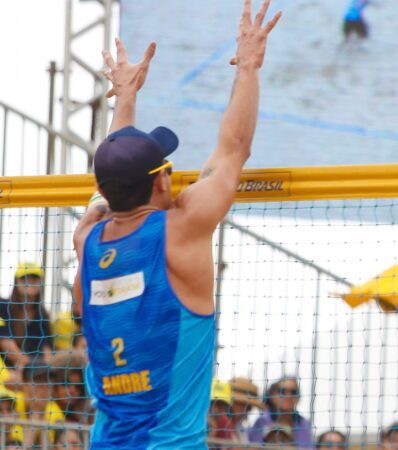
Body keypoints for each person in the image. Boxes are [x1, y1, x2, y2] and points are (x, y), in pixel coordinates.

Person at [70, 0, 282, 447]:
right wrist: (248, 65)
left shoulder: (87, 237)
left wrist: (125, 99)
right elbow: (234, 148)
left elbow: (109, 179)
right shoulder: (180, 230)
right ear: (162, 180)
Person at [0, 262, 53, 369]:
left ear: (41, 282)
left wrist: (46, 370)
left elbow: (47, 350)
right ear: (16, 282)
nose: (29, 283)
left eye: (34, 279)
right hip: (7, 370)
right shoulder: (3, 307)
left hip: (36, 371)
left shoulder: (42, 314)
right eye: (24, 278)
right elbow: (7, 345)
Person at [248, 377, 313, 448]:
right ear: (272, 395)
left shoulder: (304, 424)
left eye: (293, 392)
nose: (288, 396)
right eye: (282, 391)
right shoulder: (261, 421)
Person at [229, 377, 263, 441]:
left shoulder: (241, 430)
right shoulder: (216, 425)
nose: (249, 409)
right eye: (242, 404)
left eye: (249, 406)